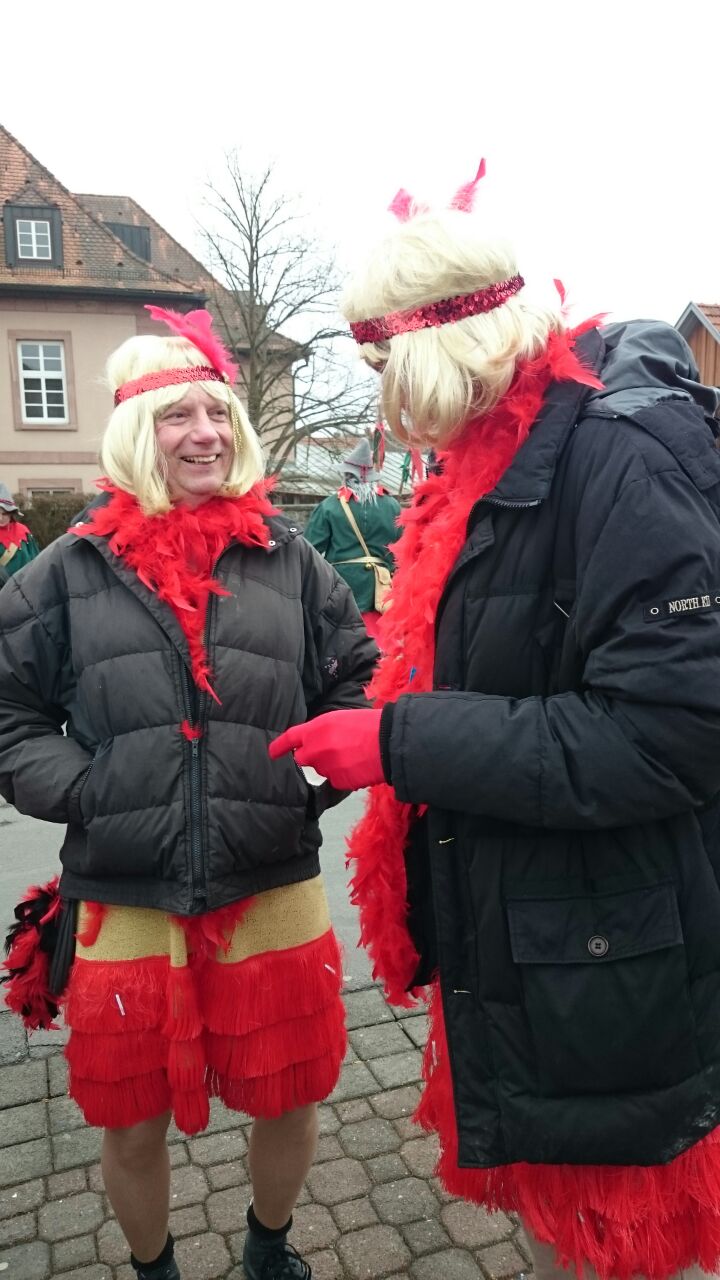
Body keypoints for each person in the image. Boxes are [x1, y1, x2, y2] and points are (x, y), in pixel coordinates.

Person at [268, 166, 720, 1280]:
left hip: (610, 943)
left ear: (438, 350)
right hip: (537, 933)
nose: (384, 401)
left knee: (616, 1245)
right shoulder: (494, 453)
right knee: (558, 1231)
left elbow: (670, 737)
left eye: (386, 369)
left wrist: (398, 743)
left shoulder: (617, 457)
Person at [0, 306, 377, 1280]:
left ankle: (268, 1246)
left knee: (291, 1092)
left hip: (273, 874)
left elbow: (358, 679)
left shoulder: (290, 560)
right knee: (131, 1118)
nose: (204, 433)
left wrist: (301, 777)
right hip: (124, 887)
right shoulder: (66, 572)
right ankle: (154, 1268)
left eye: (218, 413)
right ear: (137, 430)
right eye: (178, 415)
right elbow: (9, 712)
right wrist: (88, 789)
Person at [303, 437, 401, 643]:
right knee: (382, 648)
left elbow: (308, 551)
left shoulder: (329, 506)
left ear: (347, 476)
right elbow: (403, 552)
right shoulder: (392, 506)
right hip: (383, 593)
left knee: (343, 646)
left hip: (341, 590)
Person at [0, 483, 40, 575]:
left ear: (11, 513)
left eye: (4, 514)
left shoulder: (23, 531)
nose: (0, 518)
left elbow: (36, 561)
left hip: (25, 583)